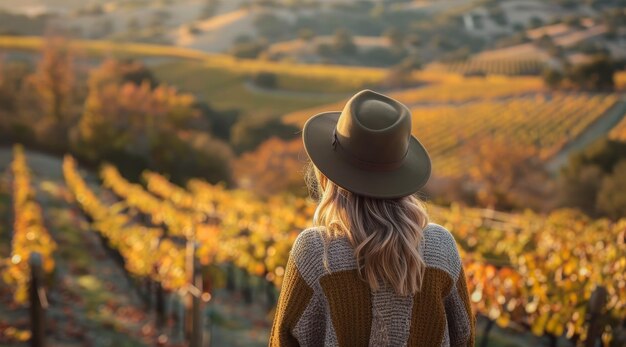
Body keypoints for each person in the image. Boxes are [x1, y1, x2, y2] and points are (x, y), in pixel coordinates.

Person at [269, 90, 475, 346]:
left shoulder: (315, 253)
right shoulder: (441, 248)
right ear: (401, 170)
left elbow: (284, 341)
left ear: (329, 173)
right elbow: (464, 338)